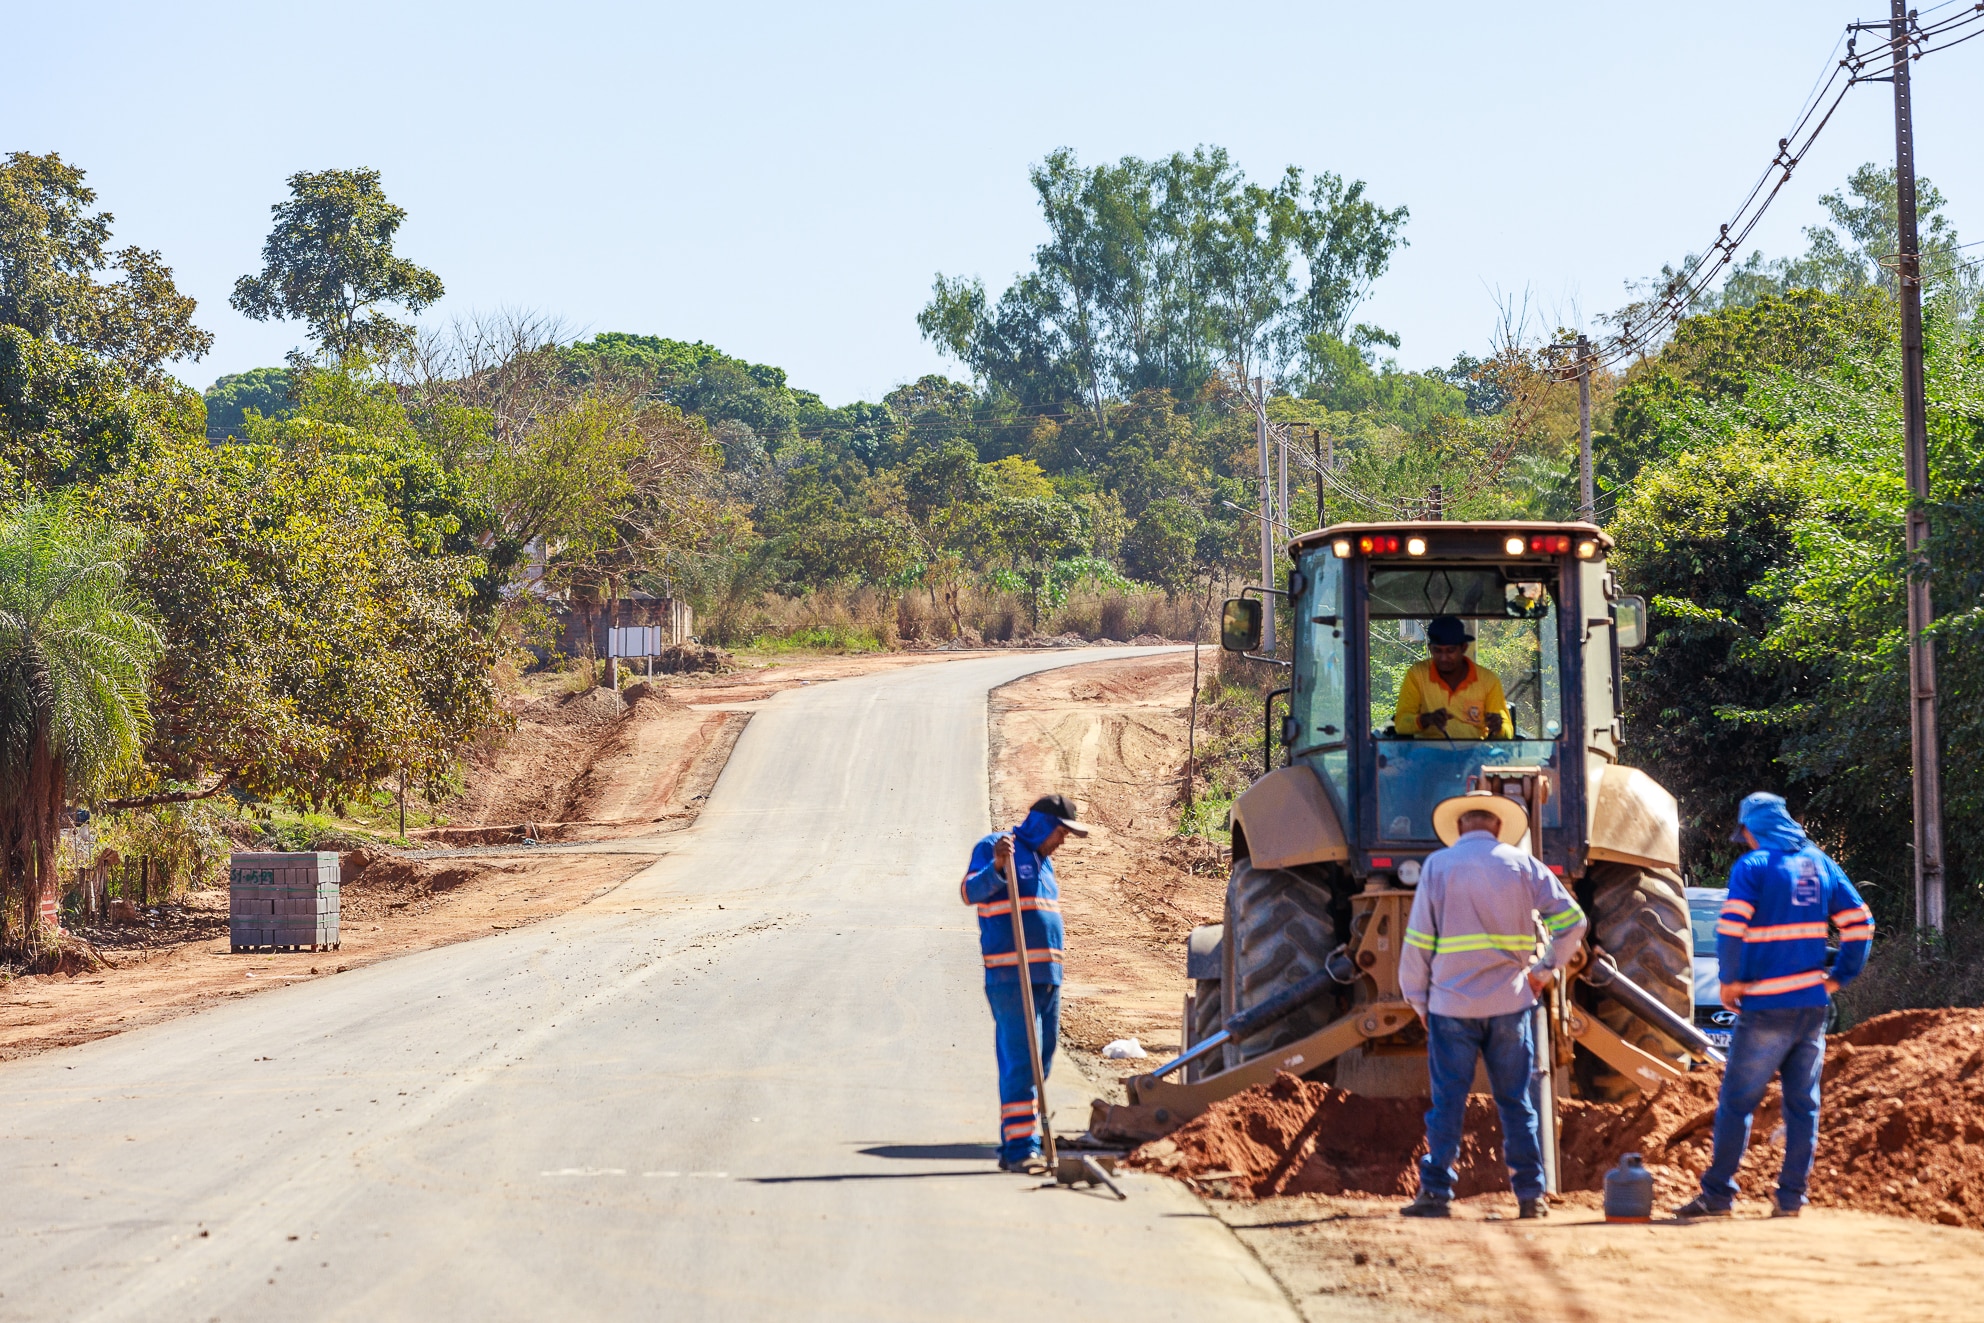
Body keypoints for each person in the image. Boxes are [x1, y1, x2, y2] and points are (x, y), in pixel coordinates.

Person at [1674, 792, 1874, 1220]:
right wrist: (1840, 976)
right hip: (1811, 1008)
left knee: (1736, 1103)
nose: (1744, 841)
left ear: (1753, 829)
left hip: (1765, 1006)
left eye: (1744, 833)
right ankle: (1790, 1200)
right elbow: (1861, 923)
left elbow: (1730, 928)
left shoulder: (1754, 866)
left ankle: (1717, 1196)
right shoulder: (1822, 864)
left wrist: (1728, 980)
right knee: (1803, 1106)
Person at [1398, 790, 1587, 1219]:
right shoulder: (1523, 865)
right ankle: (1531, 1196)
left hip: (1451, 1007)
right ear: (1499, 827)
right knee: (1517, 1103)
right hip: (1510, 1004)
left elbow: (1419, 942)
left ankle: (1436, 1194)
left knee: (1447, 1102)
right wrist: (1543, 972)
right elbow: (1573, 922)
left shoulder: (1438, 867)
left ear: (1460, 828)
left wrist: (1418, 1000)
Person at [958, 793, 1089, 1173]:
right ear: (1043, 825)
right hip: (1010, 976)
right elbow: (969, 892)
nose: (1063, 841)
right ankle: (1020, 1149)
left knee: (1042, 1060)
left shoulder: (1044, 864)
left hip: (1047, 978)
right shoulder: (996, 848)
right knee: (1021, 1062)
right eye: (1061, 832)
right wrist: (998, 867)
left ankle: (1024, 1138)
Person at [1392, 616, 1513, 740]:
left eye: (1450, 650)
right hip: (1428, 752)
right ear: (1430, 649)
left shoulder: (1488, 680)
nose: (1444, 658)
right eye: (1437, 651)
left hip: (1475, 752)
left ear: (1463, 648)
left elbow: (1508, 733)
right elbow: (1400, 724)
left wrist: (1499, 727)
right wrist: (1426, 719)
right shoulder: (1417, 674)